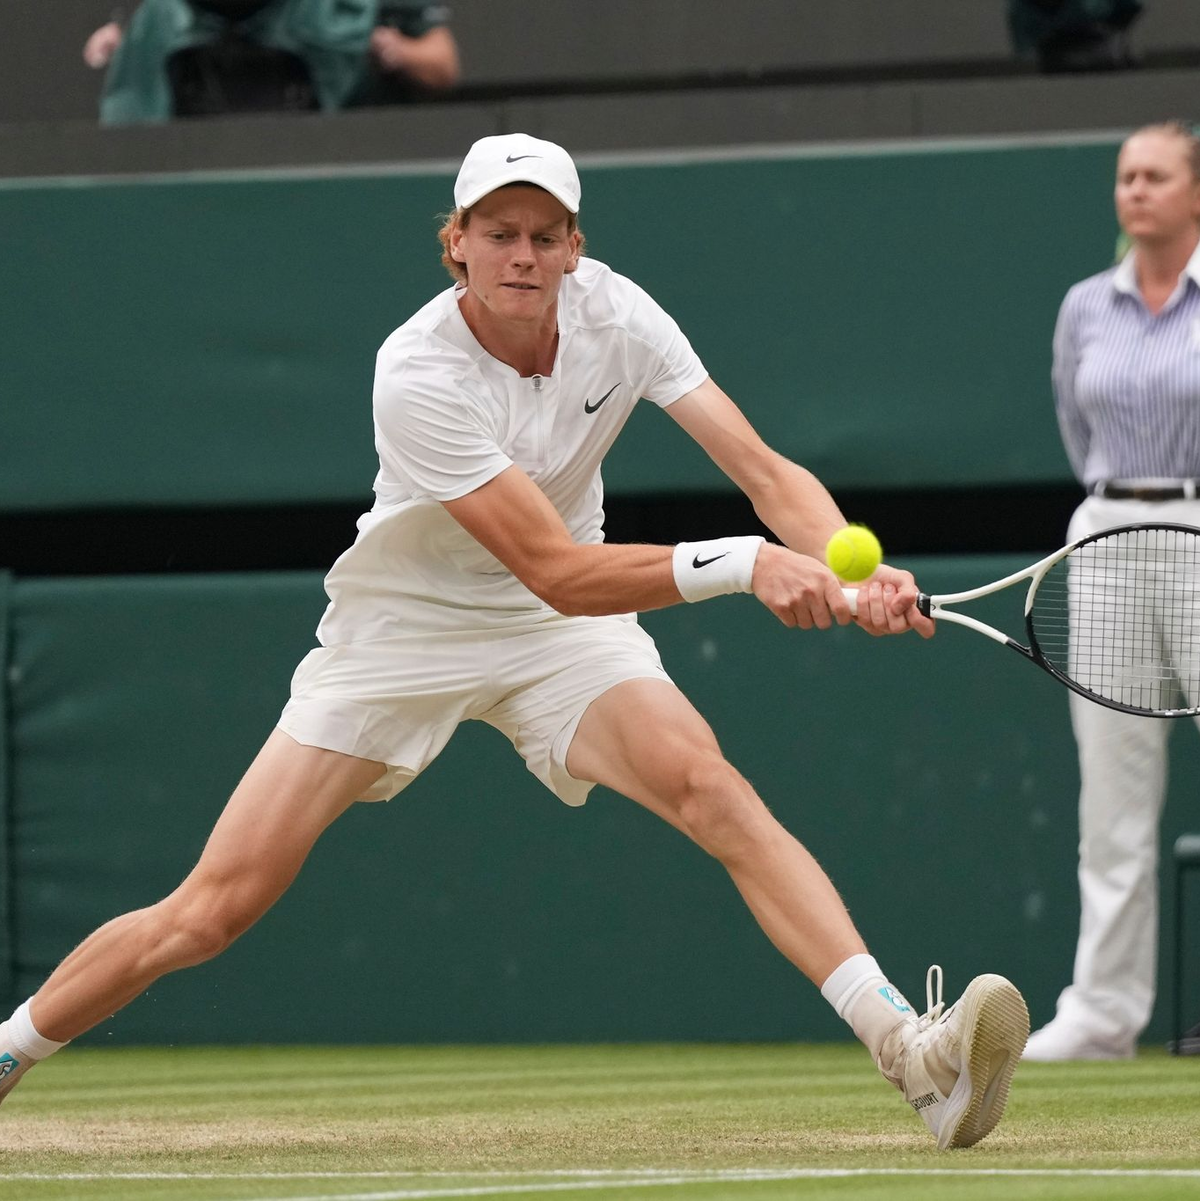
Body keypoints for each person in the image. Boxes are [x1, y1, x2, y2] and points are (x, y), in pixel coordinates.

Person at [0, 133, 1029, 1148]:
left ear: (576, 246)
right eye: (499, 233)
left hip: (554, 637)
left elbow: (762, 469)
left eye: (545, 234)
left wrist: (854, 572)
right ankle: (8, 1049)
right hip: (406, 632)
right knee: (210, 911)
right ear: (455, 241)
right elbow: (556, 570)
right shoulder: (415, 372)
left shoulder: (617, 314)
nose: (523, 256)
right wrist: (751, 565)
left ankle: (912, 1052)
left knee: (710, 789)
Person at [1026, 119, 1200, 1061]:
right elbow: (1074, 422)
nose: (1135, 190)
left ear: (1197, 194)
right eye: (1126, 175)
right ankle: (1101, 1014)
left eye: (1157, 175)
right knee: (1114, 796)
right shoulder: (1085, 305)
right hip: (1104, 538)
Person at [83, 0, 455, 123]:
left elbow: (443, 63)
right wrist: (134, 36)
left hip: (331, 144)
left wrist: (393, 48)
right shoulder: (166, 15)